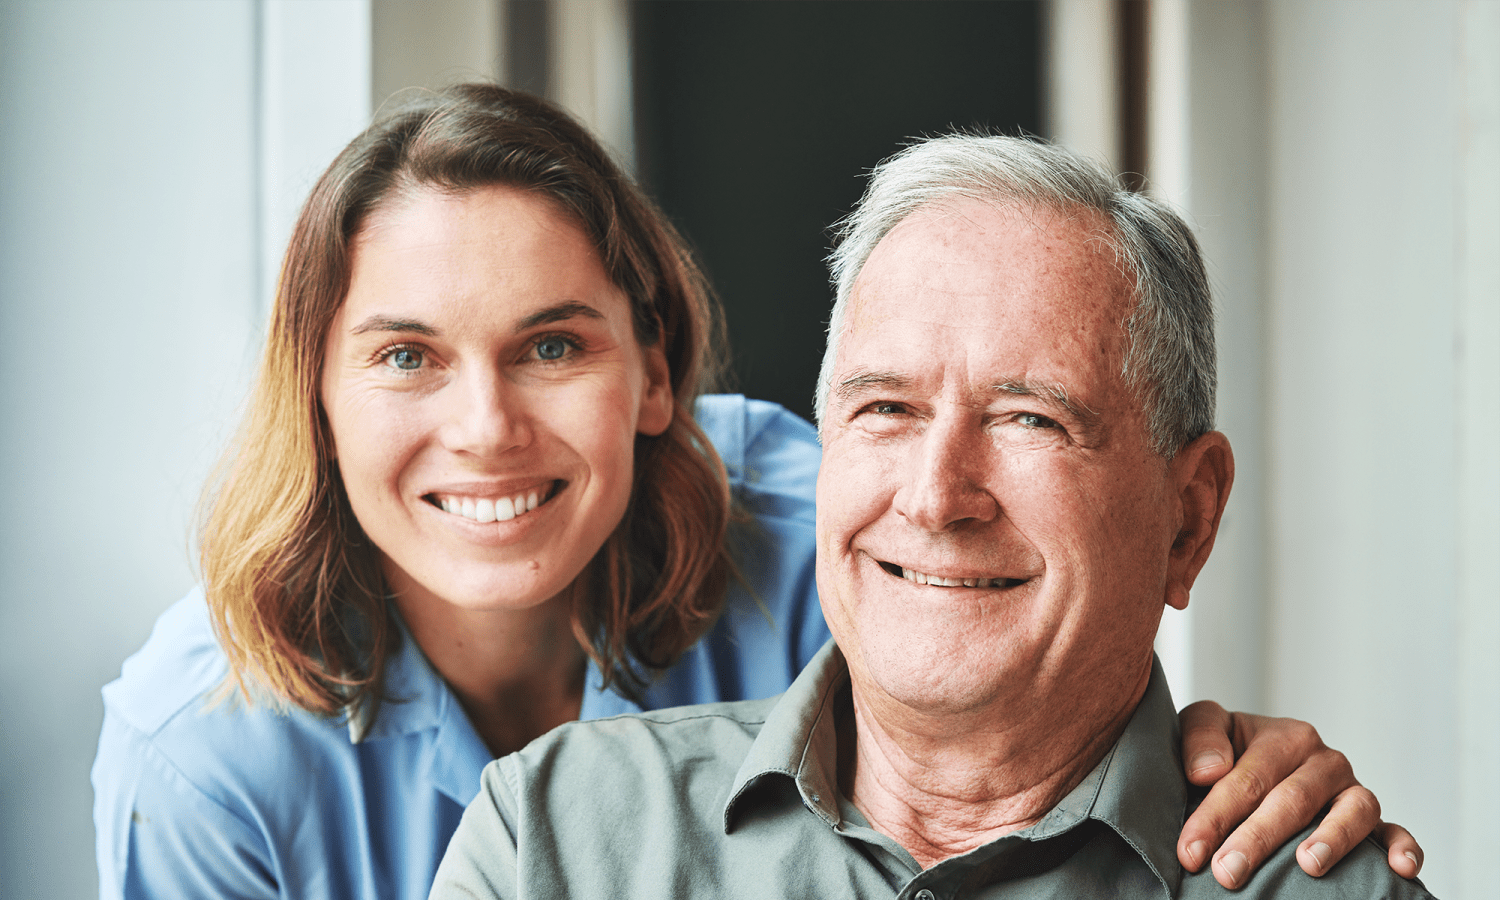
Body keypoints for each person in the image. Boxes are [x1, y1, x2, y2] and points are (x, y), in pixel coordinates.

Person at [91, 86, 1410, 900]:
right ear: (314, 395)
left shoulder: (807, 517)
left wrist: (1212, 761)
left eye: (554, 345)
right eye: (404, 358)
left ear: (654, 372)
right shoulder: (202, 755)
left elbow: (1045, 676)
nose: (485, 427)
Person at [431, 133, 1434, 898]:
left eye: (1030, 417)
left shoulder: (1321, 883)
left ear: (1188, 519)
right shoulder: (553, 841)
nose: (935, 495)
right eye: (885, 411)